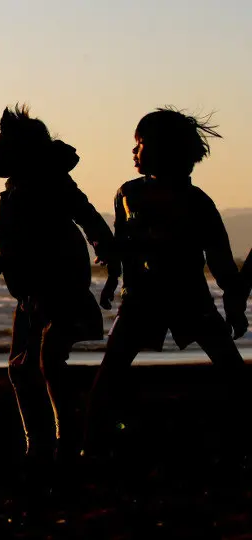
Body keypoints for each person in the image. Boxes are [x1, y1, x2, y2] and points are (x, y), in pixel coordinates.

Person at [85, 108, 248, 458]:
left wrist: (234, 301)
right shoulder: (126, 193)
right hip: (140, 298)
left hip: (191, 298)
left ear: (165, 150)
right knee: (112, 369)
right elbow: (120, 245)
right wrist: (113, 278)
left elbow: (218, 257)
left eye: (140, 144)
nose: (134, 152)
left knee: (231, 368)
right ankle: (90, 441)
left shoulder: (197, 202)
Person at [0, 105, 114, 469]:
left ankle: (67, 439)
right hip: (29, 299)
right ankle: (39, 443)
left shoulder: (53, 185)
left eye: (0, 143)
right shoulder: (0, 203)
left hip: (62, 290)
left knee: (49, 363)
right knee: (20, 369)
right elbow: (4, 252)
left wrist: (106, 249)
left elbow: (88, 216)